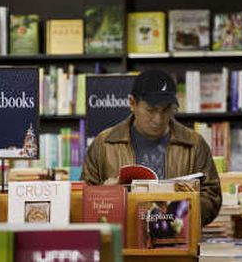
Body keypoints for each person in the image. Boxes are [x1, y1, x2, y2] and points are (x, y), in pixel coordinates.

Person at [81, 69, 222, 226]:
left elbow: (212, 197)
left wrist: (180, 211)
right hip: (123, 241)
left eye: (166, 110)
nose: (158, 119)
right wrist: (104, 194)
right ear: (132, 103)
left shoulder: (194, 144)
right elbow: (82, 199)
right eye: (151, 110)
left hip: (177, 240)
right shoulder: (104, 144)